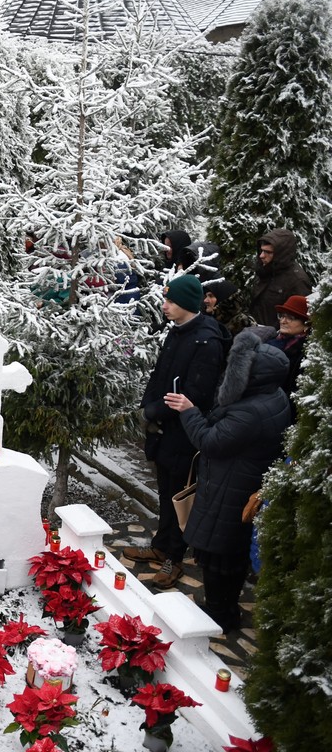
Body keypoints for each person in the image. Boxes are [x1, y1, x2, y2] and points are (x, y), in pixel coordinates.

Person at [164, 332, 291, 633]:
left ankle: (218, 614)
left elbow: (209, 441)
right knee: (231, 554)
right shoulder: (275, 396)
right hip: (242, 484)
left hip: (228, 490)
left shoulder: (249, 412)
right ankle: (226, 609)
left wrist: (188, 411)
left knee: (217, 557)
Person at [127, 275, 228, 589]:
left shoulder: (207, 341)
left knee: (179, 493)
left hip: (184, 433)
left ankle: (174, 555)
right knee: (165, 490)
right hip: (164, 429)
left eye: (170, 301)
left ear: (186, 303)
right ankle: (161, 545)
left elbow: (194, 394)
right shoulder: (177, 331)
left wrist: (153, 412)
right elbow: (160, 376)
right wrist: (147, 407)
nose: (164, 306)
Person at [249, 229, 312, 328]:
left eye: (268, 252)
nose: (261, 256)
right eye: (261, 250)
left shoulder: (297, 281)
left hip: (275, 335)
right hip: (255, 331)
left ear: (281, 254)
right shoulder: (264, 270)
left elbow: (300, 320)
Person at [265, 294, 310, 404]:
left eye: (291, 318)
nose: (283, 321)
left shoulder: (305, 354)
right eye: (282, 316)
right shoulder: (270, 341)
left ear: (306, 325)